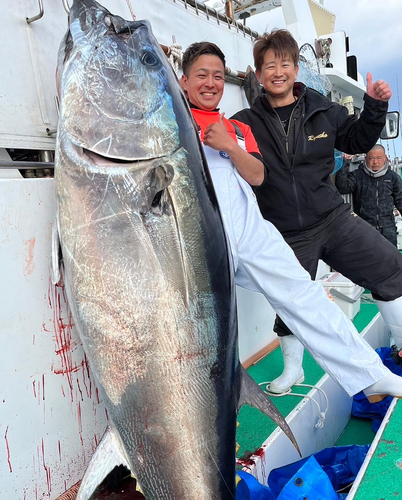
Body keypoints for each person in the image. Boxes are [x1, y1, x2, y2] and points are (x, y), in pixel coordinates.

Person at [179, 41, 402, 403]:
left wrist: (375, 107)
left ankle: (370, 376)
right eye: (201, 76)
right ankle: (205, 404)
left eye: (218, 76)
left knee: (305, 297)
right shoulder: (182, 124)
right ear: (183, 81)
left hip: (264, 230)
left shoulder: (241, 128)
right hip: (202, 235)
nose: (211, 82)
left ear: (296, 70)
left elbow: (257, 176)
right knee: (201, 320)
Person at [336, 144, 402, 247]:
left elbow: (400, 200)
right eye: (371, 158)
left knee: (389, 261)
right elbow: (343, 187)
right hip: (364, 229)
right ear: (366, 158)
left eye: (379, 158)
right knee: (367, 261)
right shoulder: (357, 175)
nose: (375, 162)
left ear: (385, 158)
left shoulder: (393, 177)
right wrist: (345, 163)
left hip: (388, 230)